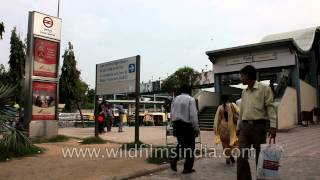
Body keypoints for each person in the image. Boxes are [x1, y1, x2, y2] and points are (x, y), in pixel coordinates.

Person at [237, 65, 277, 180]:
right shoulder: (244, 92)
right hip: (244, 128)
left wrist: (273, 126)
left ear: (248, 76)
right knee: (241, 156)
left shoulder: (264, 89)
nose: (240, 78)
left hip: (259, 128)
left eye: (242, 76)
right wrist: (238, 128)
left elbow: (271, 108)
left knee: (260, 157)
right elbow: (242, 111)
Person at [170, 84, 199, 174]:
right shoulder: (191, 99)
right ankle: (187, 168)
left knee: (181, 144)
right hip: (187, 126)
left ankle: (174, 159)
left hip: (176, 124)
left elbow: (172, 113)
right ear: (189, 91)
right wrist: (196, 127)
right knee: (190, 147)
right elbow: (193, 115)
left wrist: (172, 125)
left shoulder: (175, 99)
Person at [214, 95, 239, 165]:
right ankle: (231, 153)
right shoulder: (232, 105)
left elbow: (217, 119)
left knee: (224, 144)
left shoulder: (220, 107)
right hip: (231, 127)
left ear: (221, 100)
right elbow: (239, 112)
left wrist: (216, 129)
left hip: (222, 127)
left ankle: (227, 158)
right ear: (228, 99)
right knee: (233, 142)